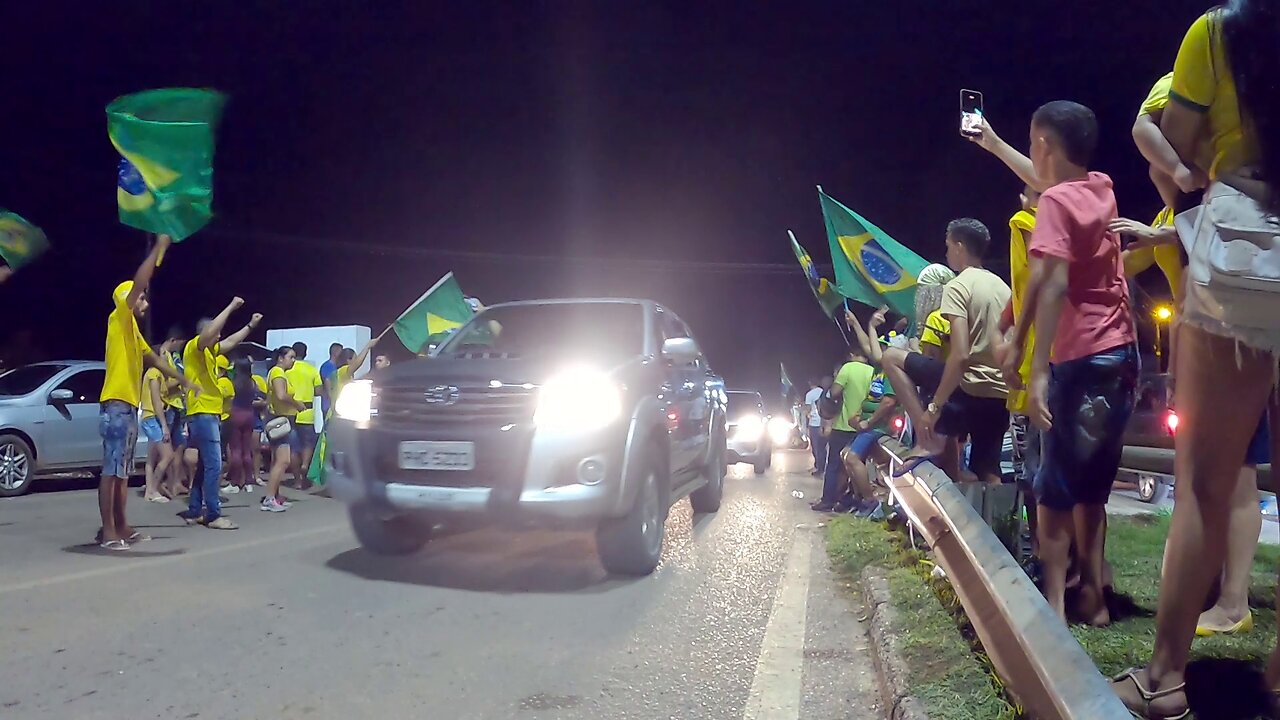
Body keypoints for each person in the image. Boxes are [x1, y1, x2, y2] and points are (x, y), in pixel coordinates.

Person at [1113, 3, 1280, 715]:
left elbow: (1173, 156)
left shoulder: (1221, 32)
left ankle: (1163, 680)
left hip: (1245, 253)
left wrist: (1185, 169)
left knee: (1206, 483)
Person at [995, 101, 1138, 628]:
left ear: (1044, 145)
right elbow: (1044, 279)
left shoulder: (1053, 202)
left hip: (1077, 359)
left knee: (1053, 486)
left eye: (1033, 142)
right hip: (1121, 353)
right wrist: (1016, 334)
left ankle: (1054, 605)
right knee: (1093, 484)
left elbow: (1052, 283)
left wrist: (1034, 370)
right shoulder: (1100, 187)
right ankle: (1094, 600)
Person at [879, 219, 1012, 484]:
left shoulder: (958, 286)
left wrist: (933, 407)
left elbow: (961, 354)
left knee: (891, 358)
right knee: (987, 471)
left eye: (949, 246)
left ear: (960, 247)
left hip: (969, 385)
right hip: (999, 393)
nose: (948, 253)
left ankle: (926, 438)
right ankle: (996, 524)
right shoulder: (1003, 288)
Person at [96, 234, 191, 550]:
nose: (144, 302)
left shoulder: (132, 332)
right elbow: (139, 280)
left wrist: (183, 379)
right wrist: (159, 248)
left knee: (122, 472)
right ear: (128, 299)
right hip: (116, 405)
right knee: (112, 471)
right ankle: (109, 530)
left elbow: (153, 359)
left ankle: (122, 526)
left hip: (127, 406)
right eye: (141, 298)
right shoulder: (119, 317)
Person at [178, 299, 261, 530]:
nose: (218, 338)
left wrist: (250, 325)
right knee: (215, 464)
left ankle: (195, 511)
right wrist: (231, 307)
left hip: (206, 413)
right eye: (215, 333)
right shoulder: (195, 346)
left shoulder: (210, 351)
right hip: (203, 412)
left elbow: (232, 341)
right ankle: (213, 515)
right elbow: (211, 334)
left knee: (205, 465)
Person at [811, 346, 875, 513]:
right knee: (856, 465)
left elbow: (834, 393)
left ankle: (828, 501)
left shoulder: (847, 368)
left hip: (844, 425)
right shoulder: (873, 371)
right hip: (863, 425)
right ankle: (850, 499)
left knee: (833, 465)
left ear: (852, 355)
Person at [140, 329, 183, 503]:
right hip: (152, 418)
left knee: (151, 458)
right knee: (168, 455)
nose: (167, 358)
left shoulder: (155, 374)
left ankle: (150, 490)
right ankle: (154, 488)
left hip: (150, 418)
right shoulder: (155, 374)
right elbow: (157, 402)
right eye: (163, 355)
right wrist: (164, 425)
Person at [265, 346, 306, 512]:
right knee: (283, 460)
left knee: (278, 460)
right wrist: (297, 404)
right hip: (280, 420)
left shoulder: (277, 373)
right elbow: (281, 395)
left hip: (280, 419)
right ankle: (269, 498)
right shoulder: (278, 372)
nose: (293, 360)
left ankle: (275, 496)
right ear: (281, 358)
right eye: (291, 357)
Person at [286, 341, 322, 489]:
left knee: (293, 448)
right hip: (307, 412)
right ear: (306, 353)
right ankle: (305, 465)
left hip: (290, 412)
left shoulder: (287, 370)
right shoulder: (312, 369)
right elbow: (319, 391)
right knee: (308, 444)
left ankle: (297, 481)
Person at [225, 357, 261, 495]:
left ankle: (235, 482)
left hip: (236, 414)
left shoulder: (235, 382)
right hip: (249, 414)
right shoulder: (252, 382)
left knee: (235, 450)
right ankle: (248, 481)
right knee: (247, 450)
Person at [803, 378, 827, 476]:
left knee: (816, 447)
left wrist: (805, 414)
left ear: (809, 382)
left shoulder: (809, 394)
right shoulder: (824, 392)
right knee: (822, 447)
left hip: (814, 423)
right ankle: (821, 466)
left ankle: (819, 468)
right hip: (825, 422)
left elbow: (808, 409)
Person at [319, 342, 343, 416]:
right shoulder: (327, 366)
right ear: (335, 352)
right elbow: (327, 384)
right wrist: (332, 402)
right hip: (328, 405)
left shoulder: (337, 367)